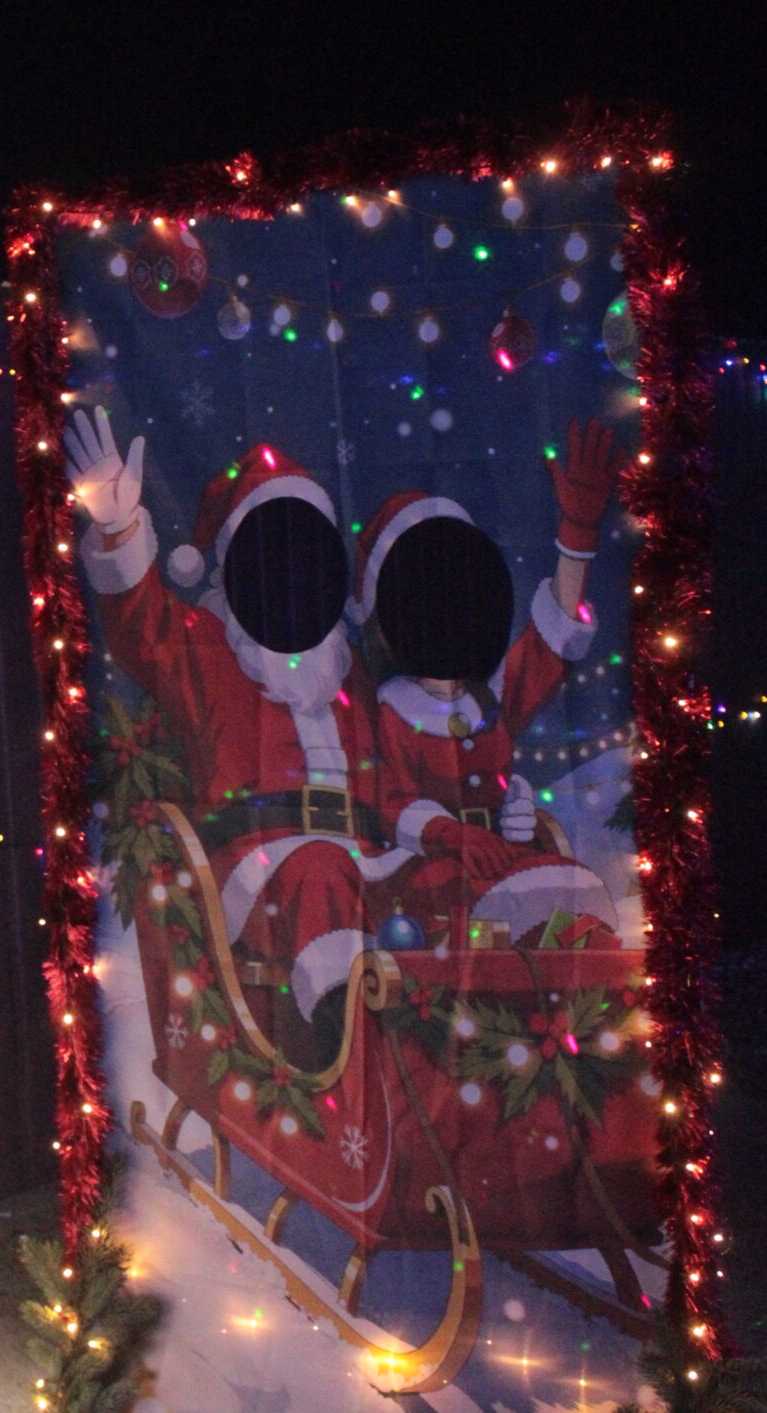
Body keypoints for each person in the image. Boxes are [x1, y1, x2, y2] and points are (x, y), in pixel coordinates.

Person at [65, 412, 388, 1064]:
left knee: (425, 886)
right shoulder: (209, 652)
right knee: (319, 871)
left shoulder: (346, 671)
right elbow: (143, 625)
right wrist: (118, 529)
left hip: (360, 858)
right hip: (254, 864)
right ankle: (340, 1045)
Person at [355, 418, 623, 950]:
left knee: (567, 888)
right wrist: (451, 834)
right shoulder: (387, 710)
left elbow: (551, 642)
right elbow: (389, 801)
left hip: (502, 856)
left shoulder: (488, 698)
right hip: (424, 873)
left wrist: (577, 536)